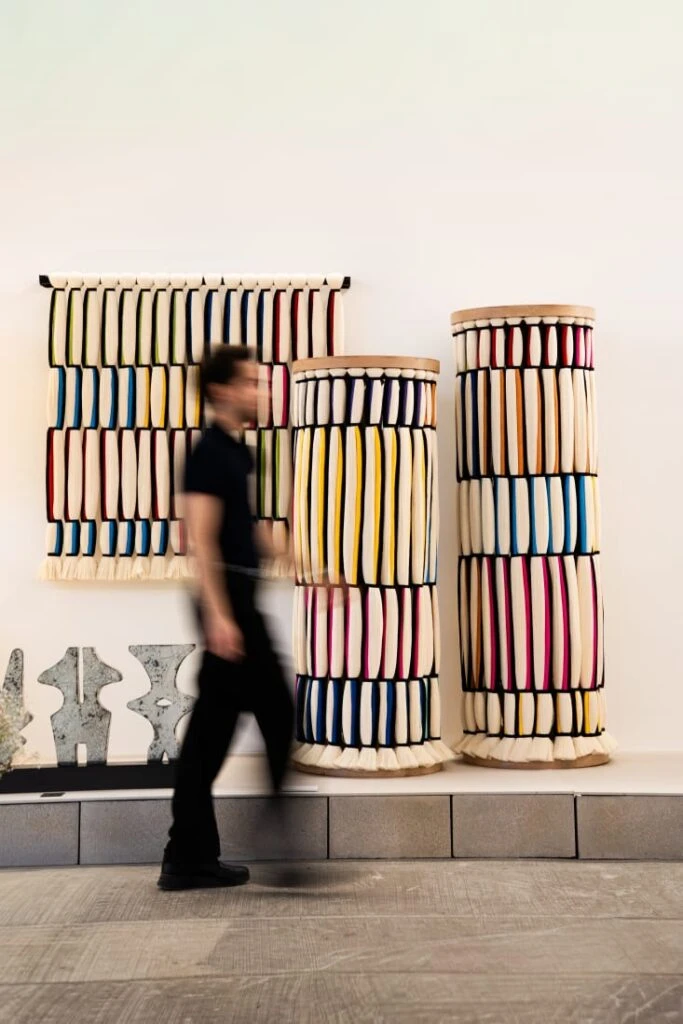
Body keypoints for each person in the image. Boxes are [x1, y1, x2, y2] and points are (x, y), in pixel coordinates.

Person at [158, 346, 294, 891]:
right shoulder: (207, 454)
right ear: (220, 391)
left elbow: (247, 530)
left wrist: (309, 568)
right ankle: (271, 838)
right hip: (227, 603)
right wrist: (219, 616)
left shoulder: (237, 454)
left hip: (238, 599)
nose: (260, 391)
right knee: (275, 714)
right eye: (250, 383)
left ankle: (187, 856)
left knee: (212, 735)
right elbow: (203, 539)